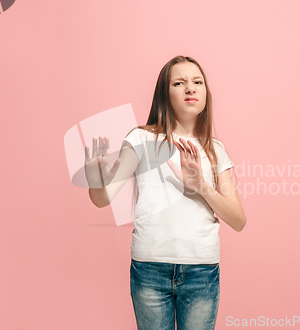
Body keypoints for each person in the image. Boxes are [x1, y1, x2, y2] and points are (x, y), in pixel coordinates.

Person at [84, 55, 247, 330]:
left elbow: (238, 221)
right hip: (150, 268)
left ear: (206, 92)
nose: (190, 88)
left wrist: (202, 187)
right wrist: (95, 180)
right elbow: (103, 199)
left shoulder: (215, 150)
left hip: (202, 270)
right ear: (165, 93)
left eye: (197, 82)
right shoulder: (141, 138)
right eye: (179, 82)